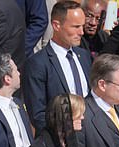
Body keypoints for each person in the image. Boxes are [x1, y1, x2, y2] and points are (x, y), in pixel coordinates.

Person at [25, 1, 92, 134]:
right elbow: (38, 114)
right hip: (60, 140)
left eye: (82, 26)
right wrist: (67, 129)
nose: (81, 32)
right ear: (56, 25)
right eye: (75, 26)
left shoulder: (84, 56)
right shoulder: (38, 63)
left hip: (90, 136)